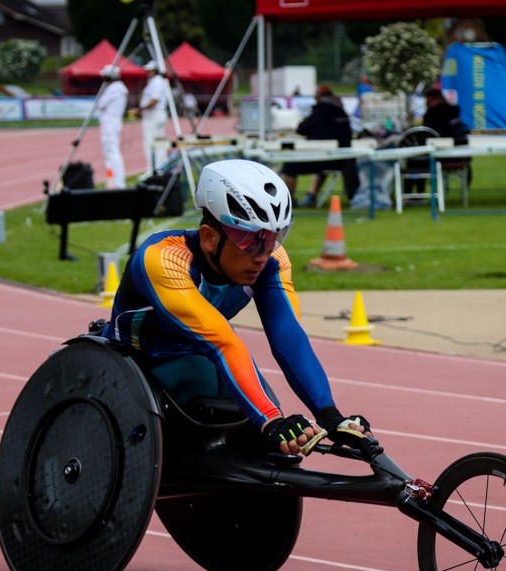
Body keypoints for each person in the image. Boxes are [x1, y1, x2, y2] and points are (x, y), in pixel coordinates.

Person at [102, 159, 372, 456]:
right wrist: (271, 422)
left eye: (272, 238)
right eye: (249, 240)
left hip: (202, 356)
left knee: (258, 409)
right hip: (136, 362)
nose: (262, 255)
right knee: (220, 387)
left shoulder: (272, 260)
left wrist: (330, 415)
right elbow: (223, 343)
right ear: (209, 238)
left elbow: (290, 338)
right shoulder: (163, 258)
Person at [279, 86, 358, 207]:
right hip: (341, 158)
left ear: (318, 96)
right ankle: (311, 196)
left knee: (290, 165)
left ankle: (288, 201)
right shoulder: (340, 110)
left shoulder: (322, 110)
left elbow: (302, 128)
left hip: (328, 158)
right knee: (321, 165)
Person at [95, 65, 128, 190]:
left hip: (110, 122)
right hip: (113, 121)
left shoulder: (113, 89)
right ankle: (113, 180)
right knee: (110, 152)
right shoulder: (119, 88)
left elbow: (100, 104)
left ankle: (118, 182)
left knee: (111, 152)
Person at [138, 61, 170, 176]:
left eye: (149, 70)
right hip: (158, 114)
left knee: (150, 143)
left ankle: (153, 169)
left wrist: (140, 109)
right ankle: (161, 167)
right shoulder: (160, 81)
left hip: (153, 115)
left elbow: (154, 100)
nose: (147, 72)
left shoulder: (156, 82)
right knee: (159, 142)